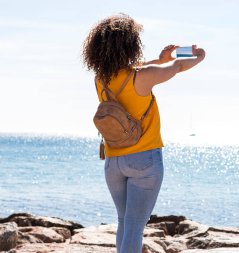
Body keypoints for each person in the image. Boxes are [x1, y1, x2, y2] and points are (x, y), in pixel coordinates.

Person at [82, 14, 205, 253]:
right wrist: (198, 56)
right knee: (135, 227)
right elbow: (178, 66)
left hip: (113, 162)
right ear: (130, 45)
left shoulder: (101, 80)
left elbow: (137, 68)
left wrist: (160, 59)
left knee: (124, 223)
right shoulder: (142, 76)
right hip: (144, 161)